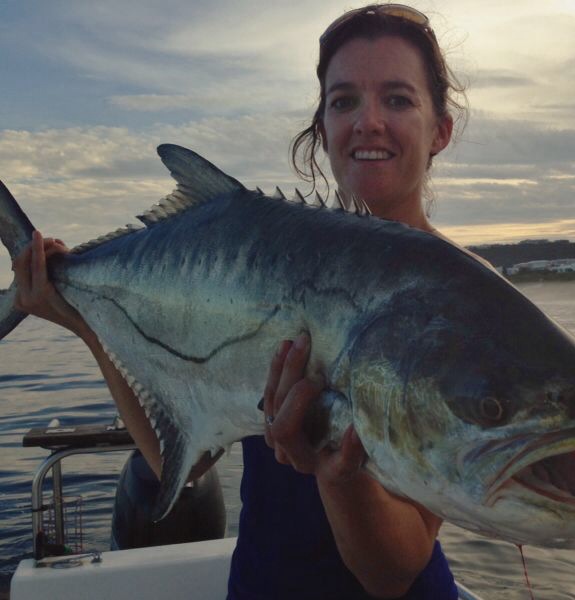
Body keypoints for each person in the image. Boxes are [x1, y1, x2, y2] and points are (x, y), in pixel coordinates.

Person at [12, 4, 467, 599]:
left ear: (440, 129)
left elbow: (391, 573)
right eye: (344, 101)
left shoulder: (454, 300)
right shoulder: (269, 258)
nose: (368, 122)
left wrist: (333, 467)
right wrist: (87, 324)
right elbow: (180, 460)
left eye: (398, 99)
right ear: (323, 127)